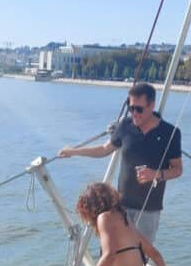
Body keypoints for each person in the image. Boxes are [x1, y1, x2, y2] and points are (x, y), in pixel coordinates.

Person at [58, 81, 182, 242]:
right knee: (112, 253)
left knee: (139, 257)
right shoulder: (125, 124)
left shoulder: (170, 133)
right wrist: (73, 152)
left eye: (139, 109)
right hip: (121, 205)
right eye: (131, 108)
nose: (134, 113)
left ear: (152, 106)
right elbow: (104, 149)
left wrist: (156, 174)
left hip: (149, 210)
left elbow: (177, 170)